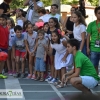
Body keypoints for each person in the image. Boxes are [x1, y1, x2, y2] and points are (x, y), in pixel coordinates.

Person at [87, 6, 100, 74]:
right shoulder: (91, 24)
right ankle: (95, 80)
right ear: (95, 14)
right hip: (93, 48)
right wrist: (88, 48)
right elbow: (88, 36)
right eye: (99, 13)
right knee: (94, 66)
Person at [0, 14, 9, 79]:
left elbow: (7, 38)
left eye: (3, 20)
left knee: (3, 61)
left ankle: (0, 73)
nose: (1, 21)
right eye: (0, 20)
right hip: (0, 47)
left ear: (6, 21)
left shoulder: (7, 28)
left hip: (5, 47)